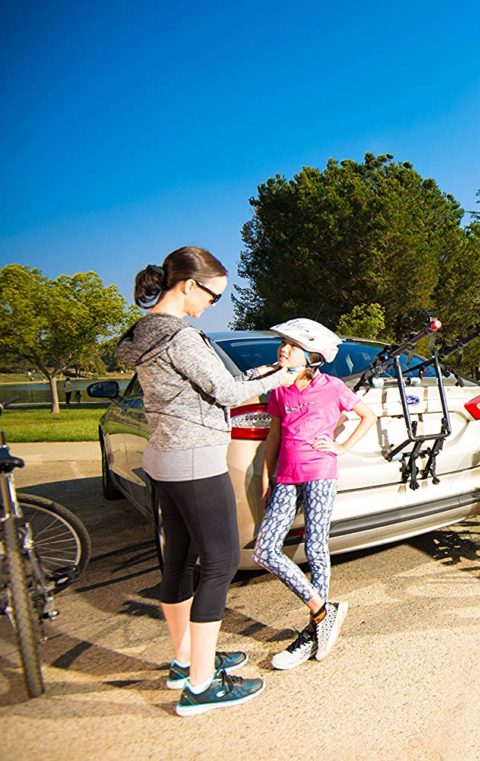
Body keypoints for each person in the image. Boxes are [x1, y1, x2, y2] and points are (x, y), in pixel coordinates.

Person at [116, 246, 292, 717]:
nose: (211, 305)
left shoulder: (145, 332)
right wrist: (283, 377)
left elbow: (213, 382)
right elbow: (228, 392)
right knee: (220, 561)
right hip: (195, 459)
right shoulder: (180, 336)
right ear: (190, 285)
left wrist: (266, 371)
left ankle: (185, 658)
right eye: (213, 296)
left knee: (177, 562)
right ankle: (200, 686)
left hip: (165, 458)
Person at [253, 318, 377, 670]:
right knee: (265, 550)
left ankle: (313, 629)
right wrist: (266, 478)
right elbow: (273, 437)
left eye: (291, 346)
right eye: (283, 344)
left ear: (312, 356)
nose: (283, 349)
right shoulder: (279, 389)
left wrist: (340, 447)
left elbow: (368, 416)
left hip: (320, 474)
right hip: (286, 478)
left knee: (315, 545)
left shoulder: (332, 386)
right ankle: (324, 611)